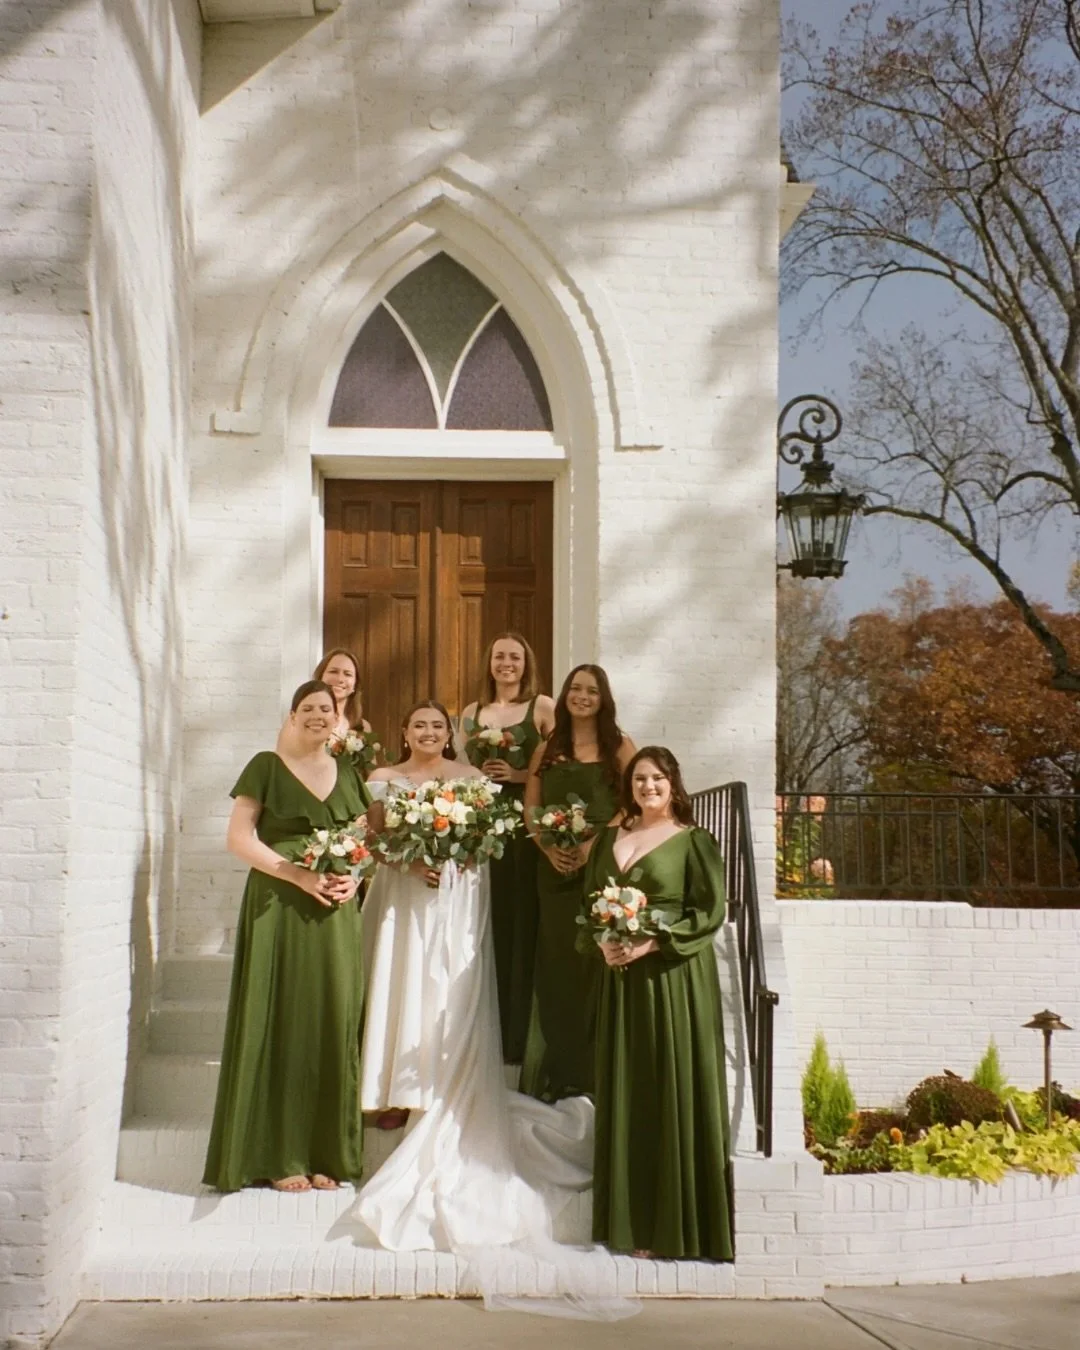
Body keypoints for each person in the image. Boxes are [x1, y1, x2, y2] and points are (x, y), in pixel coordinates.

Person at [353, 701, 553, 1251]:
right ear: (403, 731)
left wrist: (460, 858)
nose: (428, 732)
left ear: (450, 735)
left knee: (447, 988)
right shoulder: (383, 777)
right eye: (418, 724)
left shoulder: (469, 779)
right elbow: (374, 836)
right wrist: (410, 861)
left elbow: (485, 843)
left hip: (455, 899)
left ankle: (438, 1082)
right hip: (403, 895)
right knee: (402, 984)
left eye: (437, 726)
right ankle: (394, 1089)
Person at [202, 680, 370, 1194]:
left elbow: (364, 840)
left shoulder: (349, 772)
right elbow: (238, 838)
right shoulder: (265, 766)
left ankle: (327, 1154)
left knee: (331, 1021)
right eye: (309, 708)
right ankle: (278, 1155)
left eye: (328, 708)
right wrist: (298, 874)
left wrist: (355, 877)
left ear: (339, 718)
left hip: (335, 912)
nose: (319, 715)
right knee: (281, 1018)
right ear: (293, 716)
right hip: (277, 904)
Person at [582, 746, 733, 1262]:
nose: (647, 786)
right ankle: (627, 1221)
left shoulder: (693, 842)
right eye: (639, 779)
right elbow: (589, 904)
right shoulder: (610, 838)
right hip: (620, 983)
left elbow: (710, 911)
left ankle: (673, 1228)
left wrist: (652, 941)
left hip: (673, 980)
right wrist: (603, 942)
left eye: (657, 779)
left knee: (669, 1086)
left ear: (673, 784)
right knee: (628, 1089)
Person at [520, 665, 635, 1103]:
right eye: (576, 689)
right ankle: (556, 1071)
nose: (582, 697)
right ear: (565, 695)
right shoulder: (550, 745)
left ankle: (594, 1072)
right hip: (553, 870)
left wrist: (594, 845)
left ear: (603, 698)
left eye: (591, 690)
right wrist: (547, 845)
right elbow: (532, 805)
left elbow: (632, 802)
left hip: (601, 868)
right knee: (557, 963)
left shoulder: (619, 745)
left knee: (594, 962)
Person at [459, 633, 555, 1063]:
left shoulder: (544, 708)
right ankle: (485, 1031)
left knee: (522, 920)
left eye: (515, 656)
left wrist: (517, 776)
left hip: (523, 821)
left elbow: (557, 764)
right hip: (483, 824)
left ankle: (521, 1036)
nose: (506, 664)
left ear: (526, 662)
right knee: (487, 919)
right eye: (499, 656)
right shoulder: (470, 713)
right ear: (489, 662)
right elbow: (461, 772)